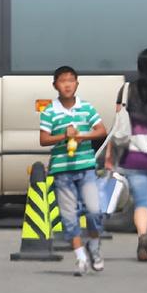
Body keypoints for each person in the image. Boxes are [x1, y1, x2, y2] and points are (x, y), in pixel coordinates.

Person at [39, 66, 107, 276]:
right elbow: (43, 139)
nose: (67, 84)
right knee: (69, 217)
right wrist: (64, 136)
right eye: (62, 81)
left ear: (77, 83)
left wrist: (80, 136)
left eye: (71, 80)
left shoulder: (86, 108)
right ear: (55, 85)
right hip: (62, 170)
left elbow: (101, 131)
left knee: (95, 210)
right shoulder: (50, 111)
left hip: (86, 167)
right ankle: (80, 258)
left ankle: (93, 247)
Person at [106, 48, 147, 261]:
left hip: (133, 156)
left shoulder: (126, 91)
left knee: (141, 202)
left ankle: (142, 237)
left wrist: (109, 155)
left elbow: (118, 125)